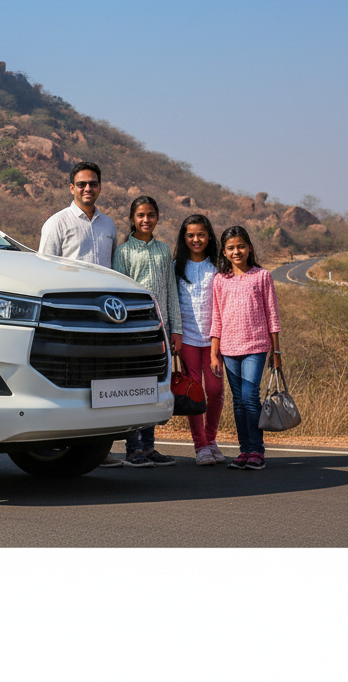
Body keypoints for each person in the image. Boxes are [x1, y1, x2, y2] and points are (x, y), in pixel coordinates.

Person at [39, 161, 123, 467]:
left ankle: (100, 450)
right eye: (82, 184)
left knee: (104, 381)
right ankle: (63, 445)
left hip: (106, 315)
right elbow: (43, 271)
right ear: (71, 187)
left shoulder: (108, 225)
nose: (88, 188)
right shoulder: (57, 223)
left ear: (100, 187)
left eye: (94, 183)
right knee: (77, 382)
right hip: (71, 317)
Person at [111, 196, 182, 466]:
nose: (145, 220)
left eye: (151, 215)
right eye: (140, 215)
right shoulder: (124, 252)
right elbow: (118, 293)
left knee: (154, 388)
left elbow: (171, 292)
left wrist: (177, 330)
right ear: (132, 219)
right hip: (134, 330)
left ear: (157, 218)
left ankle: (150, 446)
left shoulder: (164, 251)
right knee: (134, 389)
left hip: (160, 330)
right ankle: (133, 447)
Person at [210, 225, 281, 470]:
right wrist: (214, 351)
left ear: (249, 247)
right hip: (229, 349)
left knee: (251, 397)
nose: (236, 251)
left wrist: (277, 351)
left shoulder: (262, 276)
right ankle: (244, 451)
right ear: (224, 251)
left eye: (241, 246)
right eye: (231, 248)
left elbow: (272, 314)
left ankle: (257, 451)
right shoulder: (220, 280)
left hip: (256, 346)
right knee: (238, 401)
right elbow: (216, 317)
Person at [173, 214, 225, 465]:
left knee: (215, 391)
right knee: (195, 393)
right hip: (188, 340)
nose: (196, 239)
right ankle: (200, 446)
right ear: (184, 238)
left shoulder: (219, 266)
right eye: (191, 235)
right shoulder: (176, 267)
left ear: (209, 237)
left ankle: (211, 439)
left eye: (201, 235)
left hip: (215, 340)